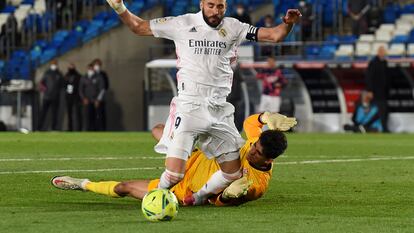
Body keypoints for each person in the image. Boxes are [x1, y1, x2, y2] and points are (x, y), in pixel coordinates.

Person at [106, 0, 301, 205]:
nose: (215, 11)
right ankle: (156, 200)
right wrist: (119, 7)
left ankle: (195, 199)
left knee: (233, 174)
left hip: (220, 110)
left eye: (220, 6)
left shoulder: (234, 27)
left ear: (225, 6)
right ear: (201, 4)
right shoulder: (181, 23)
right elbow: (138, 27)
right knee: (174, 176)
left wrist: (288, 23)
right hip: (191, 105)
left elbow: (274, 35)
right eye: (211, 5)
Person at [51, 112, 295, 206]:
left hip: (182, 192)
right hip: (193, 159)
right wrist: (266, 117)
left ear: (269, 159)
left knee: (125, 187)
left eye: (257, 153)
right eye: (255, 147)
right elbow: (250, 124)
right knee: (158, 129)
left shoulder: (258, 184)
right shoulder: (256, 143)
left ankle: (82, 184)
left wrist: (229, 197)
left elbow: (218, 200)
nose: (252, 150)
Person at [365, 46, 389, 132]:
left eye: (384, 51)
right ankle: (384, 129)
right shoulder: (373, 63)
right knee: (382, 110)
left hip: (384, 92)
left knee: (382, 111)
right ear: (378, 52)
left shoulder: (385, 63)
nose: (383, 53)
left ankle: (366, 125)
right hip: (376, 92)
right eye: (382, 51)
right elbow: (369, 77)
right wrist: (370, 90)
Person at [38, 60, 63, 131]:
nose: (54, 65)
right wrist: (44, 89)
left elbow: (62, 85)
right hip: (47, 97)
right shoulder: (47, 73)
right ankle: (39, 127)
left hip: (55, 97)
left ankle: (54, 128)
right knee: (43, 113)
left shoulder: (59, 74)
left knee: (55, 114)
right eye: (53, 64)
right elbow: (41, 83)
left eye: (55, 64)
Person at [79, 64, 106, 131]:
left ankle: (98, 132)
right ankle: (88, 131)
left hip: (96, 101)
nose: (90, 70)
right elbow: (80, 89)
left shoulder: (99, 77)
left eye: (91, 69)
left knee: (97, 117)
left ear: (93, 69)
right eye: (89, 69)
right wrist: (84, 98)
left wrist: (98, 99)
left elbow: (102, 89)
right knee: (87, 117)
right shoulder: (84, 77)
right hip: (87, 101)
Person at [63, 63, 82, 131]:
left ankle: (79, 128)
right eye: (70, 67)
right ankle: (70, 128)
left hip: (76, 96)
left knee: (78, 113)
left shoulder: (78, 76)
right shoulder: (66, 76)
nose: (71, 69)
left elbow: (80, 86)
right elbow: (64, 84)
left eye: (72, 67)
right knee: (69, 114)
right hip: (68, 97)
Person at [92, 58, 109, 131]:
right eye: (96, 64)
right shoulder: (91, 75)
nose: (97, 66)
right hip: (91, 99)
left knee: (101, 114)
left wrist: (98, 99)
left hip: (100, 99)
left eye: (98, 64)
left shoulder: (103, 74)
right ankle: (94, 129)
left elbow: (105, 87)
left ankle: (102, 129)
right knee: (92, 116)